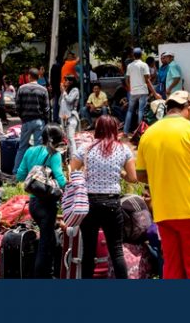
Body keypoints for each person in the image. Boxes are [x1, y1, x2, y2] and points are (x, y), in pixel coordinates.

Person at [136, 90, 190, 279]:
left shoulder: (148, 134)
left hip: (164, 214)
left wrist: (162, 178)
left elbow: (140, 175)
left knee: (172, 269)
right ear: (189, 108)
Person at [70, 115, 137, 279]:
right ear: (115, 130)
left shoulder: (86, 148)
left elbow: (71, 171)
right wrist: (119, 173)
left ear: (97, 129)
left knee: (88, 251)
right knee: (116, 250)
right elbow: (133, 177)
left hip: (89, 204)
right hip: (112, 203)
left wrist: (86, 174)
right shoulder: (123, 150)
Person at [15, 124, 67, 278]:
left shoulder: (30, 151)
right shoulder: (54, 154)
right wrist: (68, 186)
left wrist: (38, 182)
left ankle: (52, 272)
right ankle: (40, 277)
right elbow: (60, 178)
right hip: (47, 205)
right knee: (44, 245)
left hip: (33, 204)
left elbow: (20, 175)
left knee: (49, 240)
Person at [13, 68, 50, 175]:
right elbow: (47, 108)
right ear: (39, 77)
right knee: (38, 148)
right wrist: (46, 121)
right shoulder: (43, 90)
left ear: (29, 76)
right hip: (39, 121)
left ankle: (16, 171)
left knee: (22, 147)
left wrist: (22, 118)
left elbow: (17, 106)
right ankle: (36, 172)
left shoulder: (21, 88)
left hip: (26, 121)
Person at [124, 47, 161, 136]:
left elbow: (127, 80)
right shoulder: (144, 65)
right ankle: (139, 131)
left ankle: (125, 131)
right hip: (143, 92)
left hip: (133, 92)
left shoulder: (129, 66)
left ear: (133, 55)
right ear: (141, 55)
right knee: (140, 111)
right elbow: (147, 80)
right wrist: (155, 94)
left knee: (130, 111)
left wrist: (130, 89)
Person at [59, 75, 80, 158]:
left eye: (67, 80)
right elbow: (60, 103)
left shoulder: (75, 90)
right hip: (64, 117)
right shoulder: (67, 91)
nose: (65, 82)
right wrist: (63, 92)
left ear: (71, 82)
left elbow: (69, 100)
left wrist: (64, 91)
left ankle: (74, 157)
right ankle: (70, 157)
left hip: (71, 117)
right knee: (67, 138)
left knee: (71, 138)